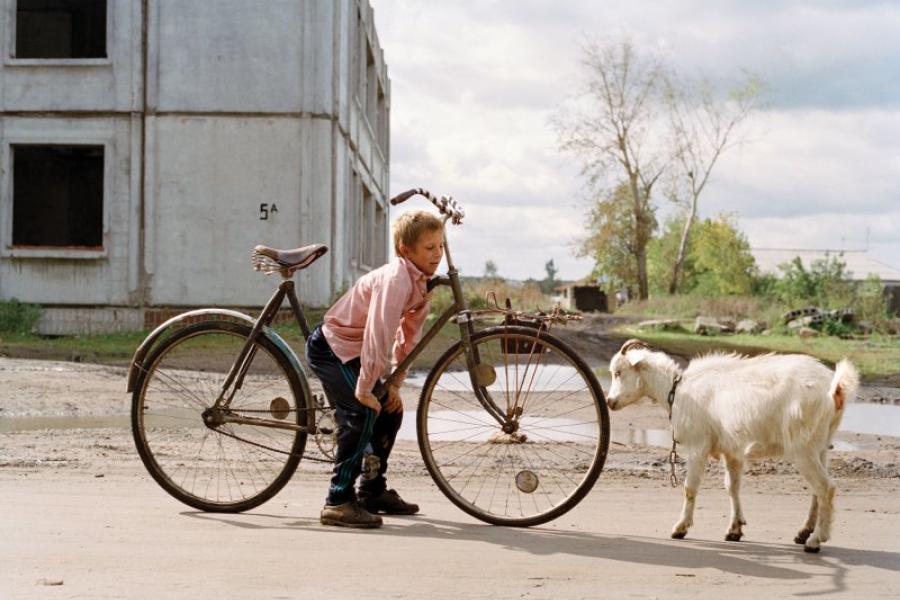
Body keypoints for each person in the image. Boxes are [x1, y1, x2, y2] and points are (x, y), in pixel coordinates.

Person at [305, 210, 444, 528]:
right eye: (429, 247)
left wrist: (394, 383)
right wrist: (366, 388)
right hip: (333, 348)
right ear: (406, 250)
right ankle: (338, 501)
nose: (437, 254)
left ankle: (371, 489)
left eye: (440, 246)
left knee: (391, 410)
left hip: (356, 352)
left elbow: (408, 337)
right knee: (363, 411)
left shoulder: (420, 284)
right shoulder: (396, 280)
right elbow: (379, 334)